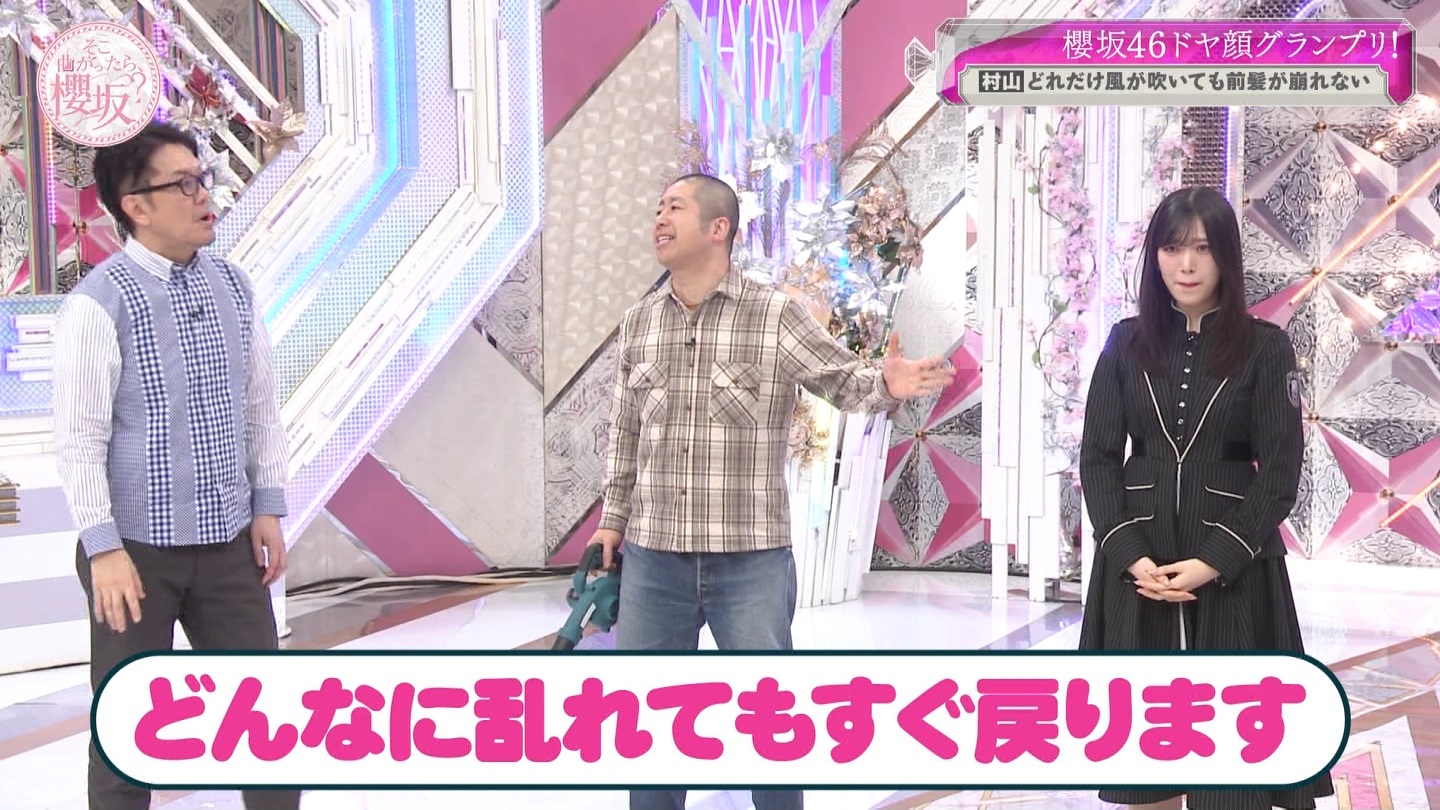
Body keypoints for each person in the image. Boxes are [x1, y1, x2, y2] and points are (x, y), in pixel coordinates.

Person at [589, 173, 954, 810]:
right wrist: (611, 521)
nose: (659, 219)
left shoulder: (773, 315)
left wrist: (888, 383)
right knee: (649, 727)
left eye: (674, 207)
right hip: (654, 559)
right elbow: (624, 432)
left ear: (719, 228)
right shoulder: (639, 323)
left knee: (770, 726)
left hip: (749, 560)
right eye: (657, 209)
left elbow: (843, 380)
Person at [52, 122, 298, 810]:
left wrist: (267, 505)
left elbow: (259, 406)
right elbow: (78, 438)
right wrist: (103, 549)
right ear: (136, 205)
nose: (204, 196)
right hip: (135, 556)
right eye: (183, 184)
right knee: (128, 733)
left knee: (269, 721)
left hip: (227, 545)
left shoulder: (234, 286)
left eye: (203, 179)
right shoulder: (98, 304)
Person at [1077, 186, 1335, 810]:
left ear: (1226, 256)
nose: (1186, 265)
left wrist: (1214, 561)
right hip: (1138, 566)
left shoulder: (1266, 347)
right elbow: (1099, 459)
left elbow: (1279, 473)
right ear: (1155, 257)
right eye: (1172, 248)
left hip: (1234, 565)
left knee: (1234, 759)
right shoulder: (1123, 342)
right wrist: (1131, 556)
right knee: (1143, 754)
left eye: (1201, 248)